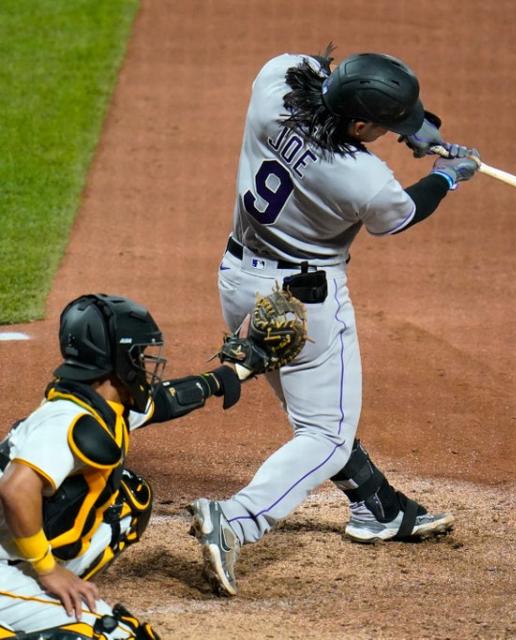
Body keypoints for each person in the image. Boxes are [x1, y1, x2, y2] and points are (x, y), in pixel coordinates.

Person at [188, 43, 480, 597]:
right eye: (387, 126)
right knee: (325, 431)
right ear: (362, 122)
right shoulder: (362, 179)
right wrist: (448, 175)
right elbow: (403, 213)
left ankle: (378, 508)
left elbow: (320, 73)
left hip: (239, 283)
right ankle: (237, 520)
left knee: (319, 414)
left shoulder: (275, 82)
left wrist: (413, 129)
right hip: (304, 305)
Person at [0, 294, 244, 639]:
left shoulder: (95, 401)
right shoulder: (67, 421)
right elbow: (15, 489)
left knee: (127, 501)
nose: (146, 364)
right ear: (117, 359)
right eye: (139, 355)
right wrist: (48, 570)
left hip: (10, 547)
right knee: (118, 635)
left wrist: (226, 376)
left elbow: (162, 401)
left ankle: (29, 603)